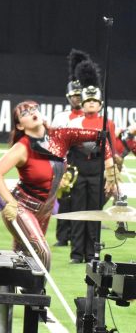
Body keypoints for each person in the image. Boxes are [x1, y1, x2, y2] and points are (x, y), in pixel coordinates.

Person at [0, 100, 114, 270]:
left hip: (45, 209)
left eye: (34, 109)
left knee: (23, 259)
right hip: (22, 207)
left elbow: (100, 136)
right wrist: (10, 202)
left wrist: (110, 167)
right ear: (19, 126)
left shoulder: (60, 136)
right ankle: (39, 295)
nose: (32, 113)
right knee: (42, 253)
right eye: (24, 113)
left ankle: (19, 295)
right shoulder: (22, 147)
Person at [66, 59, 120, 263]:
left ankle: (92, 253)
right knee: (78, 212)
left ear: (100, 104)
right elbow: (68, 149)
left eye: (94, 101)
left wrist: (112, 177)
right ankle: (76, 253)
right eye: (87, 101)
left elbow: (112, 149)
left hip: (98, 169)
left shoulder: (108, 123)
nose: (90, 103)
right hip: (79, 169)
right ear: (82, 102)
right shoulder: (74, 122)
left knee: (95, 213)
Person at [50, 48, 89, 247]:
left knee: (79, 201)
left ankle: (77, 237)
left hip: (82, 162)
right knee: (64, 199)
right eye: (73, 95)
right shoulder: (61, 117)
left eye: (78, 95)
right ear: (68, 97)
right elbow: (54, 141)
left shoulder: (88, 117)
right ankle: (62, 236)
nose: (76, 98)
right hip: (64, 162)